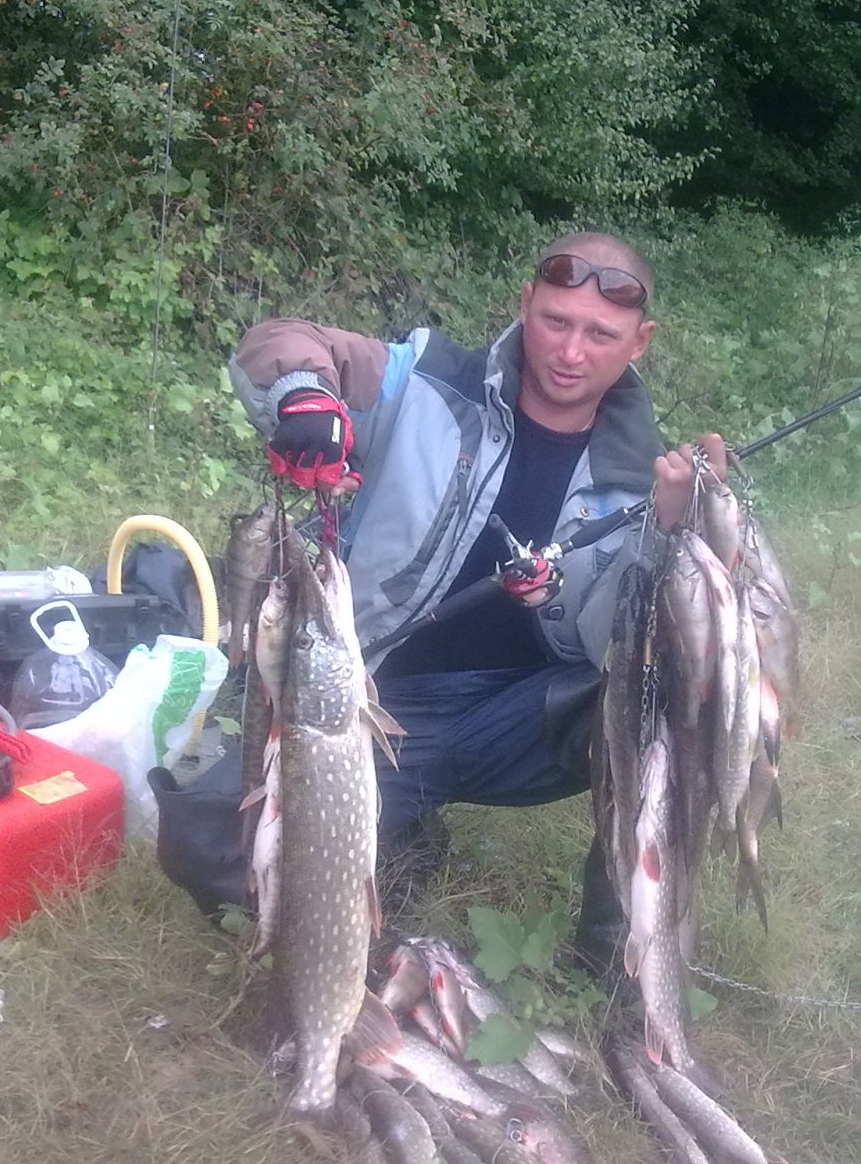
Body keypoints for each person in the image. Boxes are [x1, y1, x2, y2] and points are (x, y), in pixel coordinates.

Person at [225, 231, 728, 973]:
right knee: (214, 848)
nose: (571, 352)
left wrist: (675, 533)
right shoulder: (424, 383)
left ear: (640, 342)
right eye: (555, 320)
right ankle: (403, 829)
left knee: (673, 696)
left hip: (524, 719)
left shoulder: (640, 479)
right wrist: (306, 397)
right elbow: (279, 341)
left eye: (600, 334)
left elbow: (614, 646)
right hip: (370, 708)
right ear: (524, 305)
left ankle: (617, 960)